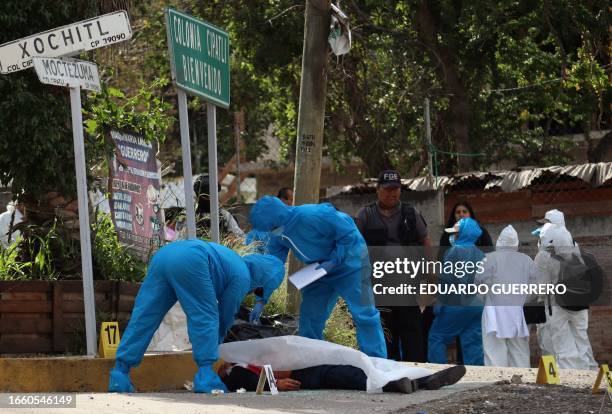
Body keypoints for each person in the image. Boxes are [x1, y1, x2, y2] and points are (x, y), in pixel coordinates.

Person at [108, 240, 285, 393]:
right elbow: (225, 313)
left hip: (164, 256)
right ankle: (206, 376)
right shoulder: (243, 276)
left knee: (145, 316)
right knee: (206, 316)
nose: (255, 293)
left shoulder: (234, 261)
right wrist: (218, 341)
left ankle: (120, 373)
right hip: (193, 259)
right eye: (260, 290)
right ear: (262, 279)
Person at [249, 195, 387, 358]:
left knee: (364, 313)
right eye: (268, 229)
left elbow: (348, 233)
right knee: (310, 315)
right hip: (320, 268)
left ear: (279, 218)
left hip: (352, 262)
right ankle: (312, 360)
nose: (271, 231)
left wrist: (334, 260)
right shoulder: (277, 235)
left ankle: (377, 362)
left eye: (271, 227)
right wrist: (261, 298)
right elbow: (273, 266)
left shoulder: (314, 214)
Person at [355, 169, 429, 362]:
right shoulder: (365, 215)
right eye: (387, 189)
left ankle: (417, 373)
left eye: (396, 189)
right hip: (378, 286)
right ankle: (391, 376)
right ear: (378, 190)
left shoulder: (411, 213)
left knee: (412, 335)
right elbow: (354, 247)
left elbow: (426, 244)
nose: (392, 193)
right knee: (386, 335)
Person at [430, 201, 493, 363]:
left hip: (456, 304)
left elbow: (446, 281)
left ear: (463, 234)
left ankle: (437, 372)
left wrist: (438, 304)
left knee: (437, 337)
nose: (454, 235)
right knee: (472, 342)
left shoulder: (453, 252)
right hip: (476, 305)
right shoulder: (481, 254)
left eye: (456, 233)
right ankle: (476, 377)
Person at [534, 223, 598, 370]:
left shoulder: (544, 256)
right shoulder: (579, 251)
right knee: (581, 339)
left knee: (562, 343)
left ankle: (571, 375)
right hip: (580, 303)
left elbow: (540, 289)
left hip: (557, 305)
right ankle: (588, 371)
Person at [475, 225, 538, 367]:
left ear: (499, 241)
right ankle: (523, 381)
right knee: (519, 351)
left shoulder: (488, 259)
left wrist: (487, 299)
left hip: (493, 311)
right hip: (516, 312)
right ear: (516, 242)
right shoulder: (526, 260)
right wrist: (521, 300)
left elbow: (478, 286)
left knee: (494, 351)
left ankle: (496, 382)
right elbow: (535, 288)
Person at [218, 361, 466, 393]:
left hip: (302, 364)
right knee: (343, 375)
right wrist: (275, 384)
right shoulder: (235, 370)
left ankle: (422, 379)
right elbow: (243, 381)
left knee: (360, 365)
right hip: (302, 373)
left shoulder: (242, 344)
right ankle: (397, 385)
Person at [193, 174, 244, 238]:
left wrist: (232, 237)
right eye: (205, 196)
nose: (209, 199)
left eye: (212, 195)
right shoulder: (190, 216)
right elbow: (181, 237)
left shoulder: (224, 215)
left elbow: (241, 237)